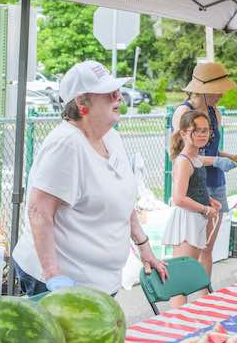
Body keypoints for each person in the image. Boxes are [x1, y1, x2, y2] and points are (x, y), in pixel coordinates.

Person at [12, 60, 168, 297]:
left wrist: (144, 247)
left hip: (100, 282)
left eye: (116, 89)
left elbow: (123, 201)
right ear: (82, 103)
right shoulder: (66, 144)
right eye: (107, 92)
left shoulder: (112, 138)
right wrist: (53, 275)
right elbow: (38, 211)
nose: (118, 95)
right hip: (64, 283)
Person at [162, 109, 237, 306]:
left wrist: (209, 200)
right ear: (185, 133)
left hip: (196, 219)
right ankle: (176, 324)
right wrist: (205, 209)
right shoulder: (184, 161)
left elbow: (193, 189)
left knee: (187, 276)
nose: (203, 134)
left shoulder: (195, 158)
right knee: (180, 281)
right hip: (187, 221)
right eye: (197, 130)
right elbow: (178, 198)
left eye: (206, 130)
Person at [172, 62, 237, 279]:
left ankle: (204, 296)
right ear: (203, 89)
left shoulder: (214, 112)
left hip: (217, 184)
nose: (221, 94)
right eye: (217, 90)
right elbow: (184, 155)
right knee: (191, 249)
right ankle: (183, 300)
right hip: (196, 186)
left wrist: (227, 156)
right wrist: (216, 161)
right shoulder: (184, 111)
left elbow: (211, 148)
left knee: (208, 247)